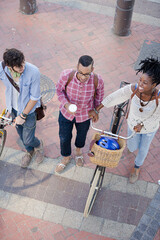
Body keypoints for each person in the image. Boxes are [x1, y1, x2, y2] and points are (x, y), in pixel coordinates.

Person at [95, 58, 160, 183]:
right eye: (140, 80)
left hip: (149, 129)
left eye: (145, 83)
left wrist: (142, 125)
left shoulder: (158, 97)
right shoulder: (134, 89)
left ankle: (136, 168)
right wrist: (98, 109)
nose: (140, 84)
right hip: (132, 124)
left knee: (143, 149)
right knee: (131, 145)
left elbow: (157, 117)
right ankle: (131, 148)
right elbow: (116, 96)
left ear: (154, 85)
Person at [56, 55, 104, 173]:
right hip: (66, 113)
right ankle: (66, 157)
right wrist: (66, 104)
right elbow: (58, 90)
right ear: (77, 67)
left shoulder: (97, 80)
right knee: (64, 137)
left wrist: (96, 110)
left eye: (86, 74)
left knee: (81, 136)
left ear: (92, 70)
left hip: (84, 115)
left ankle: (78, 151)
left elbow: (99, 97)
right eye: (81, 72)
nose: (83, 77)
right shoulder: (66, 75)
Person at [0, 48, 44, 168]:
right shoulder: (2, 68)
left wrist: (23, 115)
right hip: (13, 109)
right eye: (18, 67)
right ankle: (29, 151)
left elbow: (35, 97)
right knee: (20, 134)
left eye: (22, 63)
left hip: (28, 112)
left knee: (28, 138)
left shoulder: (33, 71)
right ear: (9, 66)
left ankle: (39, 145)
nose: (22, 68)